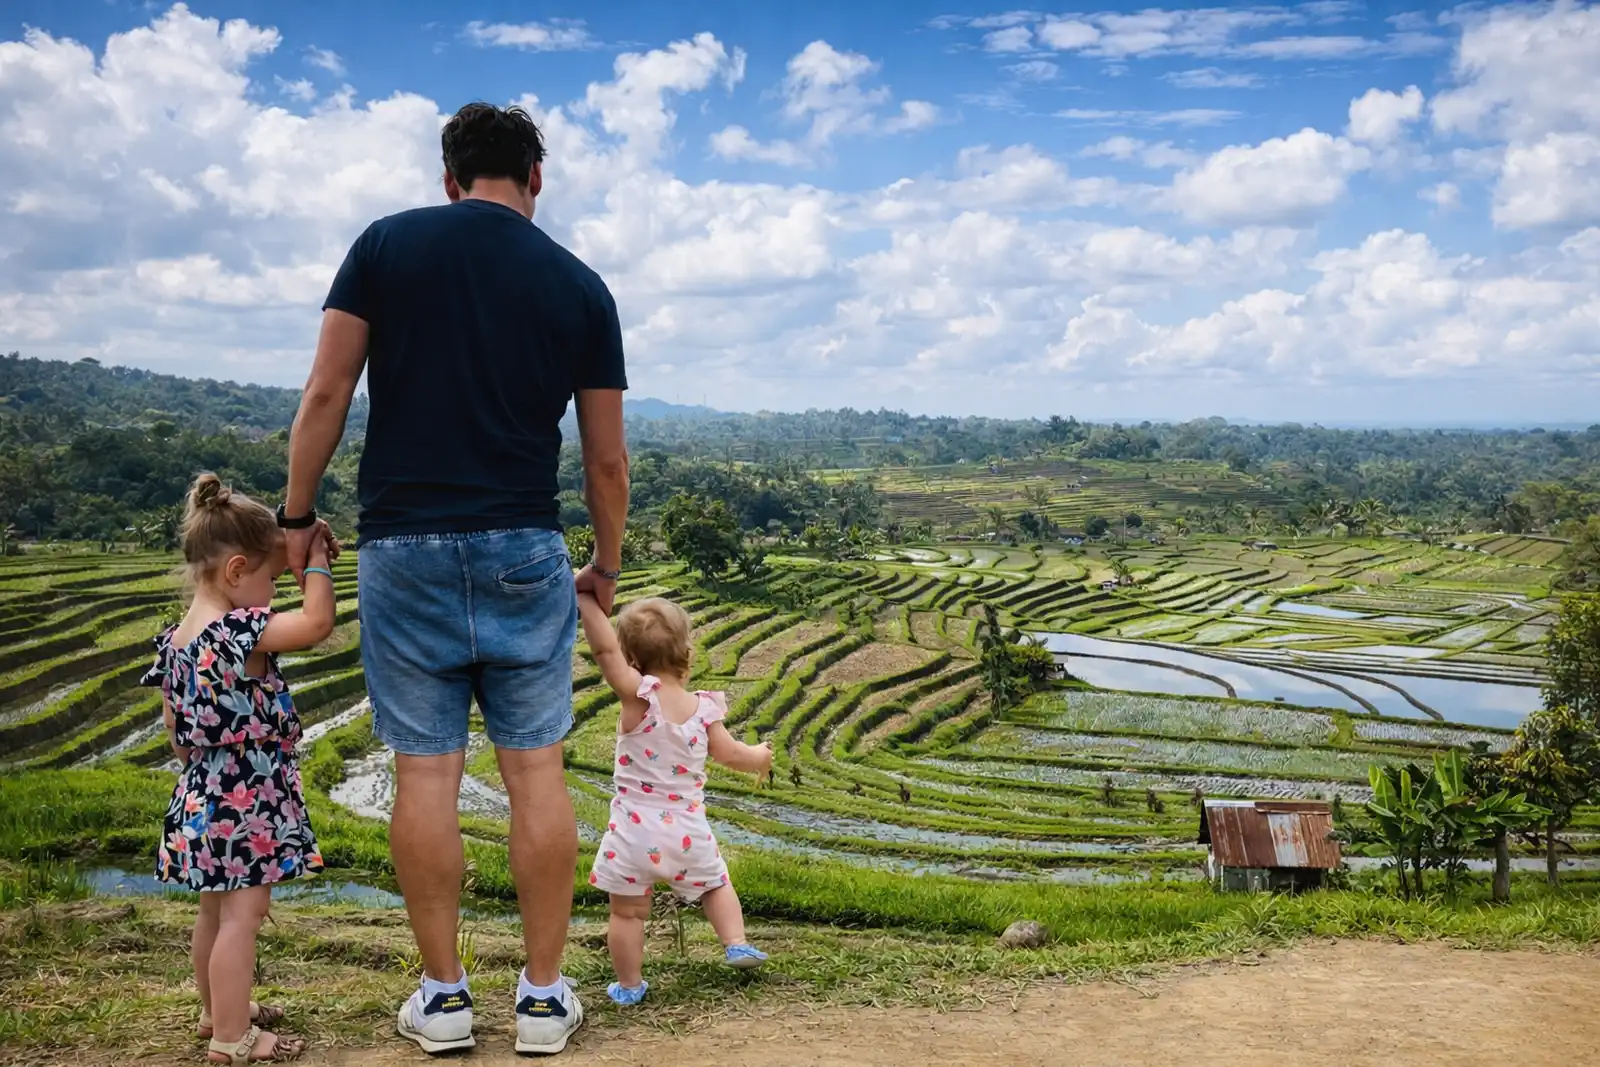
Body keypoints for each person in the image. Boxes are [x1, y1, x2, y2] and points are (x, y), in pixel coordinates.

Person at [282, 101, 630, 1056]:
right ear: (536, 178)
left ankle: (441, 999)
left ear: (449, 176)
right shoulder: (580, 285)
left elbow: (325, 393)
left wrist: (297, 518)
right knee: (536, 769)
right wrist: (603, 561)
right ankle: (545, 999)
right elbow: (605, 462)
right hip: (524, 547)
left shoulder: (385, 248)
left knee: (424, 773)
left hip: (404, 550)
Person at [143, 473, 338, 1065]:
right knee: (243, 920)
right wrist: (319, 563)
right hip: (247, 799)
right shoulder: (237, 631)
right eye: (272, 579)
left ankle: (216, 1013)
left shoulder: (176, 641)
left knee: (215, 911)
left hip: (201, 792)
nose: (274, 592)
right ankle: (236, 1040)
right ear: (234, 571)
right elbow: (317, 626)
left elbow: (177, 735)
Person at [577, 594, 773, 1004]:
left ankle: (629, 986)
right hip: (686, 830)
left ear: (632, 658)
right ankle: (736, 943)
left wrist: (586, 602)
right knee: (716, 885)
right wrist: (760, 757)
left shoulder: (638, 696)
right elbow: (731, 754)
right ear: (687, 652)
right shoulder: (704, 708)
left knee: (627, 913)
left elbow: (602, 650)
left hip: (632, 832)